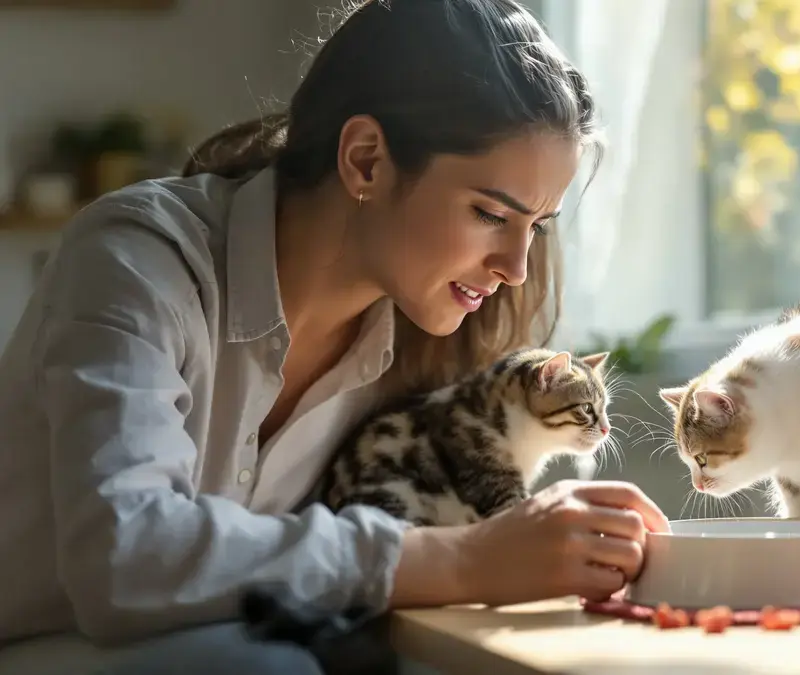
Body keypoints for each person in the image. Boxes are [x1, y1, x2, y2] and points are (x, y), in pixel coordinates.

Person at [0, 1, 670, 673]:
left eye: (539, 226)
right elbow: (127, 557)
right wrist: (467, 558)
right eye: (491, 212)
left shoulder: (419, 348)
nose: (516, 267)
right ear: (366, 159)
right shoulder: (137, 259)